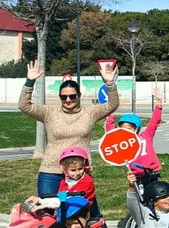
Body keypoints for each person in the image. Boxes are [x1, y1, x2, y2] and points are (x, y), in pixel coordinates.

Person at [19, 59, 119, 196]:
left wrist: (110, 83)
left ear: (79, 96)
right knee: (48, 211)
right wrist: (29, 82)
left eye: (72, 96)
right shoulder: (49, 113)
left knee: (82, 212)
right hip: (51, 171)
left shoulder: (90, 113)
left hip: (80, 171)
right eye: (63, 97)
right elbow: (24, 106)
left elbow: (112, 104)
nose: (68, 100)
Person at [105, 87, 164, 178]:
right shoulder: (122, 143)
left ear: (137, 129)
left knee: (155, 191)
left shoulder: (145, 136)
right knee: (135, 191)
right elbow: (110, 133)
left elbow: (154, 121)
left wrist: (159, 103)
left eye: (129, 129)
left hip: (152, 172)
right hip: (135, 175)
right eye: (123, 129)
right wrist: (111, 114)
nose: (125, 132)